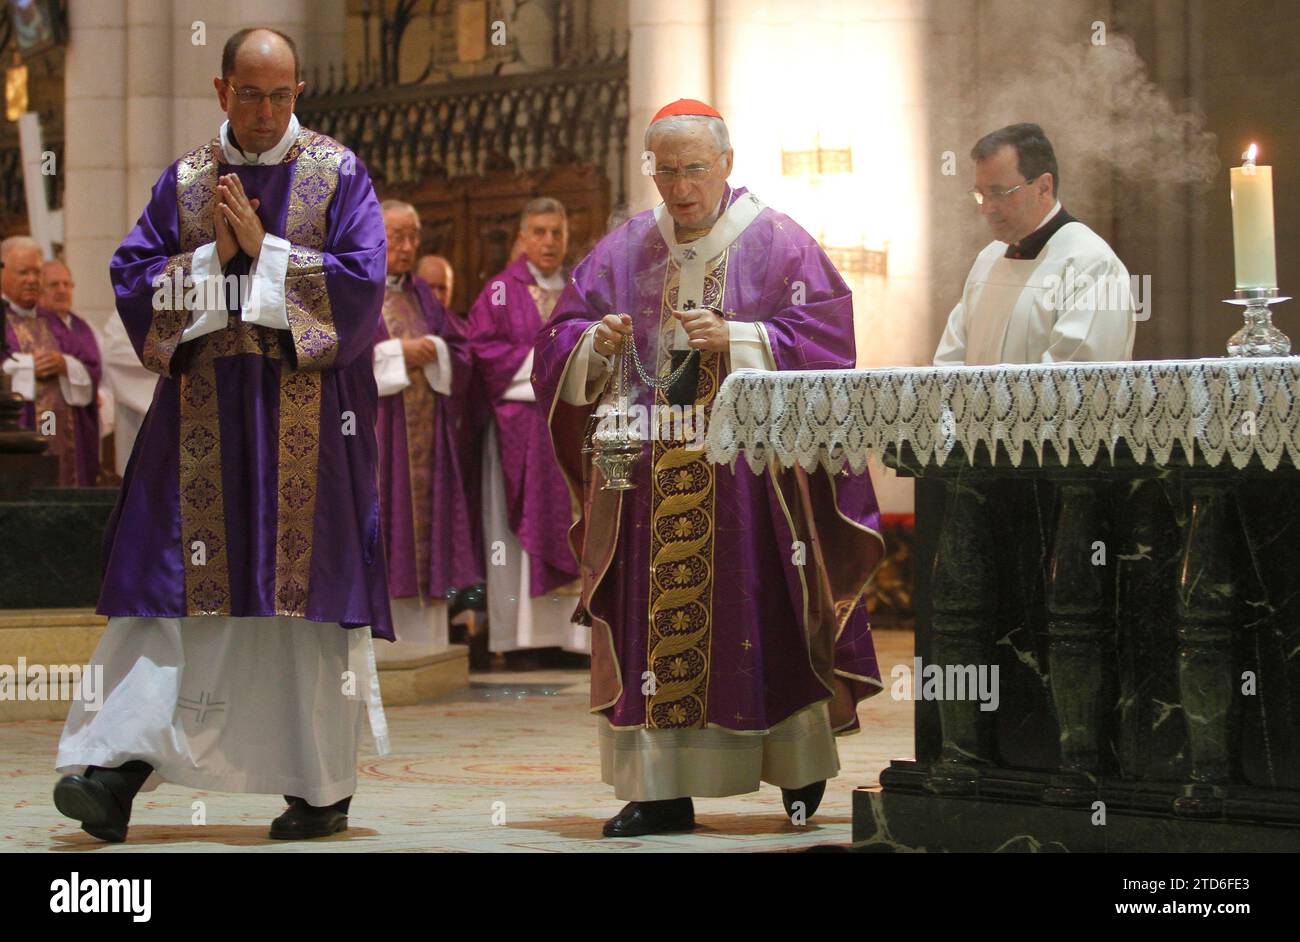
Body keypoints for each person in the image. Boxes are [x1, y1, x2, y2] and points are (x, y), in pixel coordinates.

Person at [52, 26, 391, 843]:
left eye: (282, 95)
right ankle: (113, 769)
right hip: (202, 427)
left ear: (299, 92)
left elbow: (361, 291)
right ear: (220, 90)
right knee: (166, 594)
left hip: (309, 432)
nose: (268, 111)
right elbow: (134, 284)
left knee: (299, 613)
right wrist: (216, 264)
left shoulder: (339, 174)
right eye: (251, 93)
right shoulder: (188, 180)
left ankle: (318, 788)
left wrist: (263, 254)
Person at [533, 99, 885, 837]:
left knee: (770, 614)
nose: (681, 187)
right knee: (650, 623)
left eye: (695, 169)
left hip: (752, 481)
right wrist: (595, 343)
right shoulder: (625, 247)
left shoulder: (780, 244)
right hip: (648, 478)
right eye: (666, 171)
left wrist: (743, 338)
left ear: (726, 163)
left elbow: (828, 344)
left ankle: (797, 767)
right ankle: (660, 788)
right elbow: (559, 335)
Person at [467, 197, 587, 665]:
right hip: (523, 429)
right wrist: (547, 366)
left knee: (578, 525)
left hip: (573, 428)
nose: (549, 242)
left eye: (556, 232)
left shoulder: (581, 289)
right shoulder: (500, 290)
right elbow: (480, 349)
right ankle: (522, 642)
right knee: (518, 536)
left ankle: (575, 640)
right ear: (522, 237)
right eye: (539, 231)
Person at [372, 200, 481, 661]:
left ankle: (432, 646)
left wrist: (433, 347)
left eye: (413, 236)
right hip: (380, 436)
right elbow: (337, 354)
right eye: (396, 236)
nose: (407, 246)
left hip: (427, 439)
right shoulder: (358, 290)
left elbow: (462, 349)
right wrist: (398, 354)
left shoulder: (423, 295)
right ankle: (381, 644)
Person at [934, 123, 1136, 364]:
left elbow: (1075, 380)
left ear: (1043, 187)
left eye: (999, 193)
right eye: (981, 194)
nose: (986, 209)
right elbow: (949, 364)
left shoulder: (1091, 264)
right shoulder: (988, 259)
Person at [1, 238, 98, 486]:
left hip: (52, 423)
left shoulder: (54, 322)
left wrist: (65, 365)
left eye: (36, 272)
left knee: (54, 459)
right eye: (24, 272)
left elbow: (90, 368)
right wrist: (29, 366)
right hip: (16, 430)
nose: (32, 280)